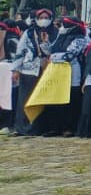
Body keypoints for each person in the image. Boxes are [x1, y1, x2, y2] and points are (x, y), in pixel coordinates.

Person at [11, 8, 57, 136]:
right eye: (41, 17)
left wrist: (45, 42)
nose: (43, 20)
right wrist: (16, 70)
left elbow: (52, 51)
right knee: (25, 99)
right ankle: (23, 128)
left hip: (46, 70)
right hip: (29, 69)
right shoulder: (29, 33)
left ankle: (40, 128)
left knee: (41, 100)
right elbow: (20, 51)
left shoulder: (55, 33)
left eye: (46, 18)